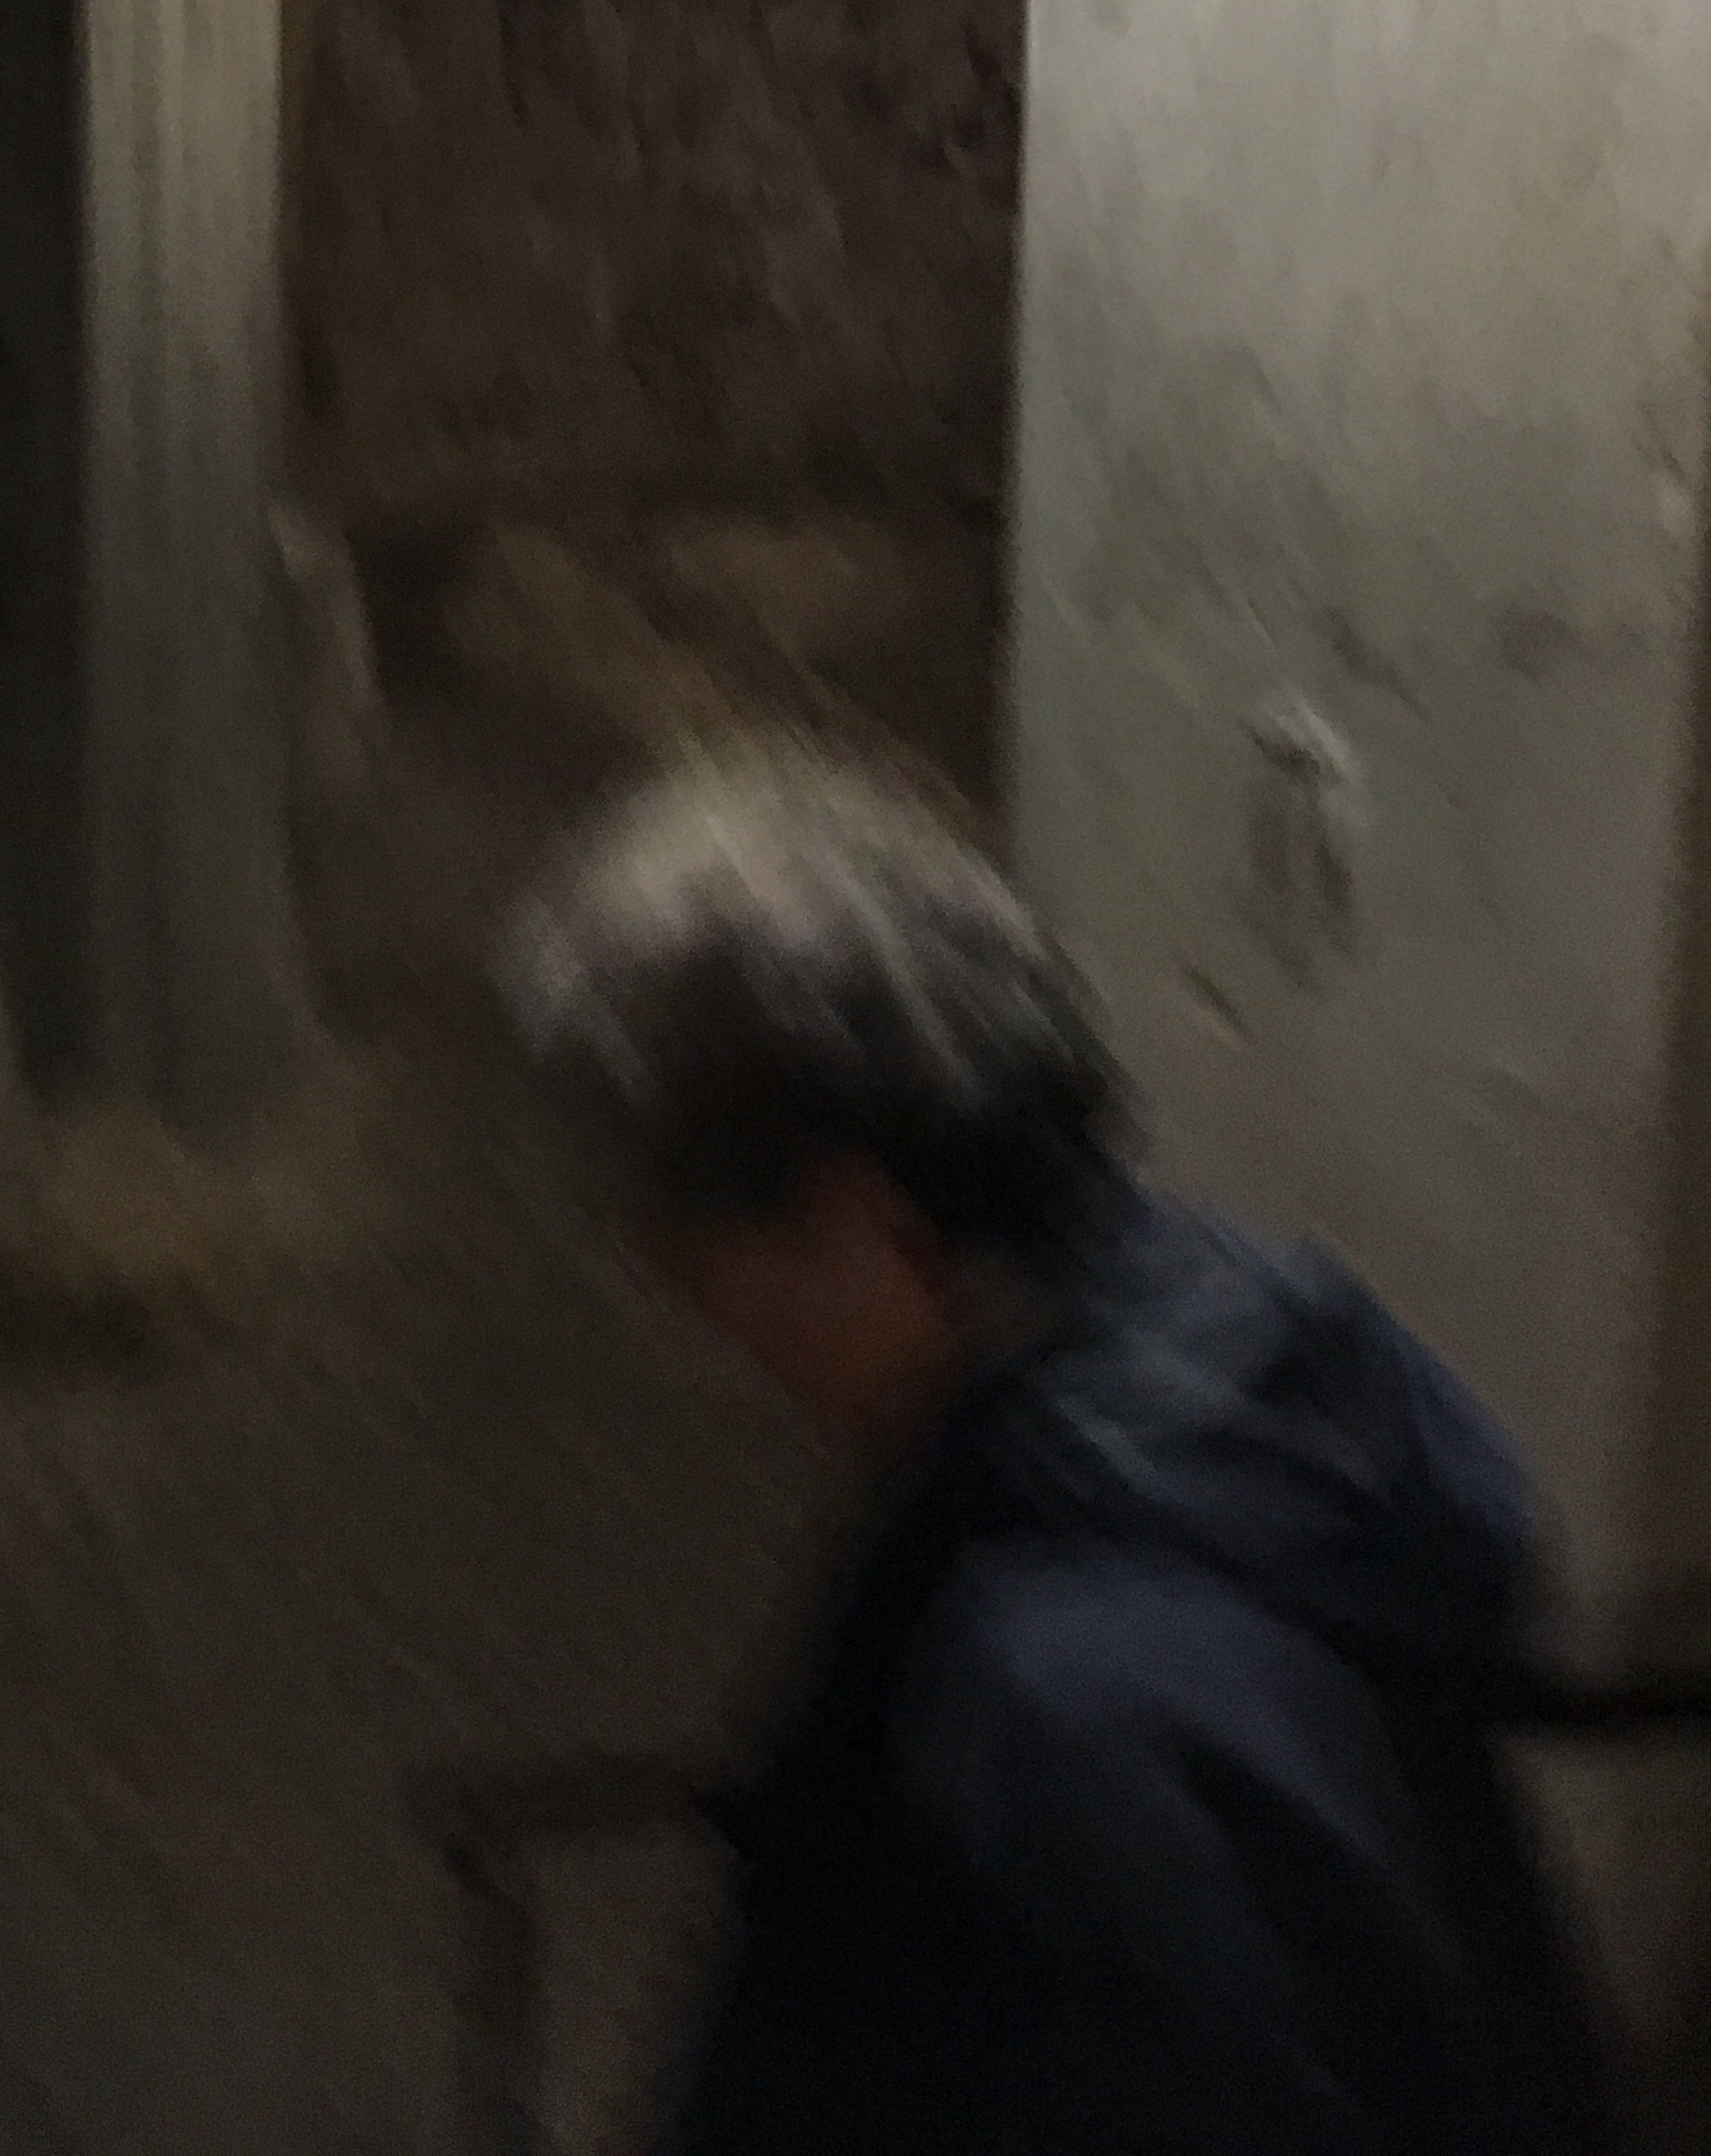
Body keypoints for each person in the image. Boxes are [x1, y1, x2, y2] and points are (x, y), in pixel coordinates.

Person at [499, 750, 1618, 2156]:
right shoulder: (1231, 1384)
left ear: (861, 1222)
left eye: (697, 1264)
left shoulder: (1084, 1708)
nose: (712, 1326)